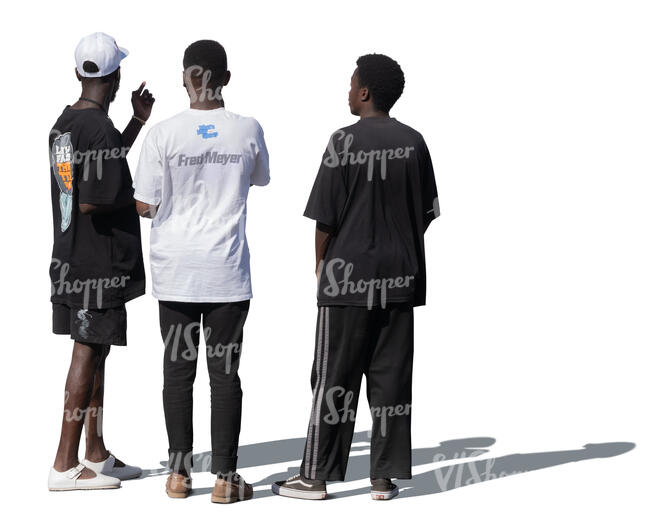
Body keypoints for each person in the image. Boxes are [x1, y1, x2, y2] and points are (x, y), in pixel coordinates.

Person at [272, 53, 440, 501]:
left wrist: (321, 263)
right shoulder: (415, 141)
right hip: (401, 279)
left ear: (365, 92)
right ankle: (383, 479)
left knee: (333, 380)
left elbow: (324, 218)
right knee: (390, 380)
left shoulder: (343, 140)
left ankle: (315, 477)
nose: (347, 92)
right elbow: (427, 213)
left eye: (351, 85)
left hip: (347, 281)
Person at [133, 39, 270, 504]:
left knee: (177, 373)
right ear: (225, 78)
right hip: (227, 273)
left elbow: (146, 205)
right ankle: (226, 479)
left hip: (176, 273)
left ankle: (178, 474)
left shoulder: (163, 134)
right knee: (225, 375)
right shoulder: (248, 128)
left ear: (186, 78)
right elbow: (258, 178)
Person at [48, 32, 155, 491]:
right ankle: (63, 464)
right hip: (96, 264)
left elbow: (98, 167)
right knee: (86, 352)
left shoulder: (65, 123)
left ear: (79, 74)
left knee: (97, 354)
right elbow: (94, 198)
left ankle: (94, 452)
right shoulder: (98, 128)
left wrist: (135, 123)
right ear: (115, 77)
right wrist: (138, 204)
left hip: (72, 257)